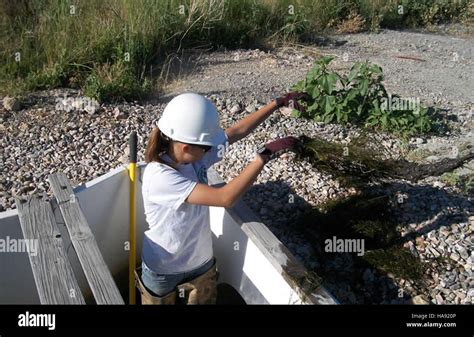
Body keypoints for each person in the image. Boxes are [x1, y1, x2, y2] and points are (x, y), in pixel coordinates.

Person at [135, 91, 305, 304]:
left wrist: (277, 103)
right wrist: (263, 156)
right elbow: (225, 197)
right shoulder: (160, 177)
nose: (211, 150)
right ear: (186, 147)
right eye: (207, 147)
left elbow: (236, 131)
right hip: (163, 271)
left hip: (201, 263)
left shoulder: (194, 158)